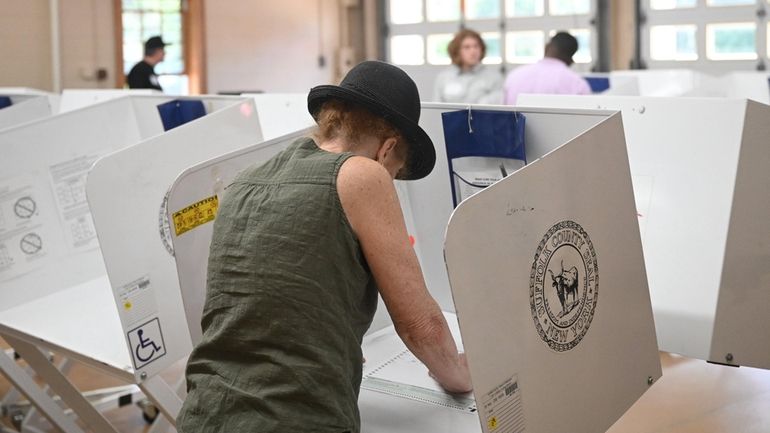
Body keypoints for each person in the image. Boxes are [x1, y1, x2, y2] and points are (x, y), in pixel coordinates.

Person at [176, 61, 472, 433]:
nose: (390, 179)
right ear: (387, 149)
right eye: (395, 172)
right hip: (293, 419)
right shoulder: (363, 174)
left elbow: (261, 301)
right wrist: (461, 373)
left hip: (206, 412)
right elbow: (419, 326)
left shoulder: (247, 180)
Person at [503, 31, 591, 105]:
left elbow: (503, 115)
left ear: (546, 47)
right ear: (571, 60)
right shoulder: (577, 84)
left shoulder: (514, 76)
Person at [433, 29, 502, 104]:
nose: (473, 51)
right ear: (456, 51)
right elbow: (437, 108)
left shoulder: (494, 78)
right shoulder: (444, 77)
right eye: (467, 47)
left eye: (476, 46)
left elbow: (497, 109)